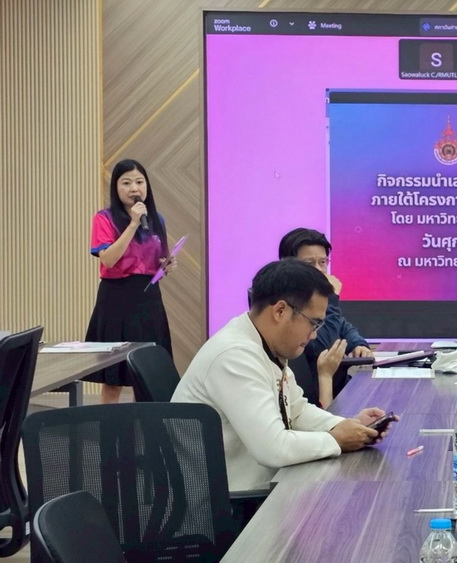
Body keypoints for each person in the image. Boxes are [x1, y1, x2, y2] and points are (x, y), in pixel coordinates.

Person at [172, 259, 394, 490]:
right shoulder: (234, 356)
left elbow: (296, 411)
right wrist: (338, 439)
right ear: (280, 311)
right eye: (314, 323)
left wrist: (348, 425)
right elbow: (273, 448)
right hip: (229, 503)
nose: (314, 335)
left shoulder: (263, 345)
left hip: (260, 488)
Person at [84, 159, 176, 404]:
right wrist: (133, 223)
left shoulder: (156, 219)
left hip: (148, 299)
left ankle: (145, 426)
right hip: (116, 299)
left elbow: (157, 259)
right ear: (116, 188)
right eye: (126, 183)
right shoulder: (104, 218)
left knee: (147, 376)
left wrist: (166, 265)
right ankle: (108, 426)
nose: (134, 188)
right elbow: (109, 259)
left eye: (139, 182)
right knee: (113, 379)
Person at [278, 228, 372, 407]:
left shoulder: (311, 299)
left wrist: (357, 343)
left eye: (323, 262)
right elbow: (324, 348)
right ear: (287, 265)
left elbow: (342, 325)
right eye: (309, 263)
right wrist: (330, 297)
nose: (319, 270)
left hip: (338, 391)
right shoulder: (287, 306)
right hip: (316, 402)